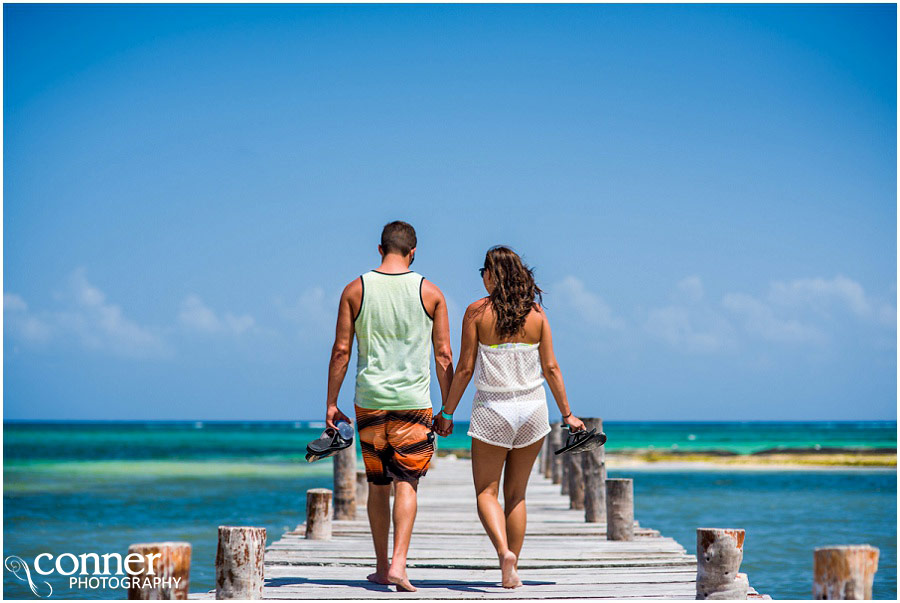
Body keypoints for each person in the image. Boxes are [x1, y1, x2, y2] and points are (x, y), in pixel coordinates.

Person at [432, 245, 585, 589]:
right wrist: (569, 414)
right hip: (533, 411)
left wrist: (447, 412)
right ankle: (511, 570)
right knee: (517, 495)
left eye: (482, 272)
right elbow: (551, 368)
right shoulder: (537, 316)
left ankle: (504, 553)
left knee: (487, 493)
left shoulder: (476, 313)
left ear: (491, 274)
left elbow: (466, 368)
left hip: (492, 411)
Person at [324, 220, 454, 592]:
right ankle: (399, 564)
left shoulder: (355, 289)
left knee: (378, 485)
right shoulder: (431, 293)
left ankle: (382, 567)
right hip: (414, 403)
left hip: (369, 402)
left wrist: (331, 403)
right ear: (414, 252)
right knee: (407, 483)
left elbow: (341, 351)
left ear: (380, 249)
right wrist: (447, 408)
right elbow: (444, 355)